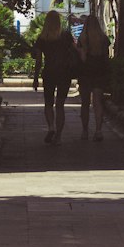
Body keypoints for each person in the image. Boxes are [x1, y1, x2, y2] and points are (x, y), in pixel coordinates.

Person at [32, 10, 79, 145]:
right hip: (64, 73)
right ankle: (58, 136)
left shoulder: (42, 38)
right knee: (60, 105)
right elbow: (75, 50)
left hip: (49, 72)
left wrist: (35, 78)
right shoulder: (65, 36)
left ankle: (51, 127)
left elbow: (39, 60)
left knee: (48, 103)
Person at [77, 12, 110, 142]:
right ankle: (98, 130)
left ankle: (85, 131)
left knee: (85, 103)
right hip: (99, 73)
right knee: (98, 102)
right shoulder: (103, 39)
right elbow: (106, 59)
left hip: (85, 73)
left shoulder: (82, 39)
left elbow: (82, 59)